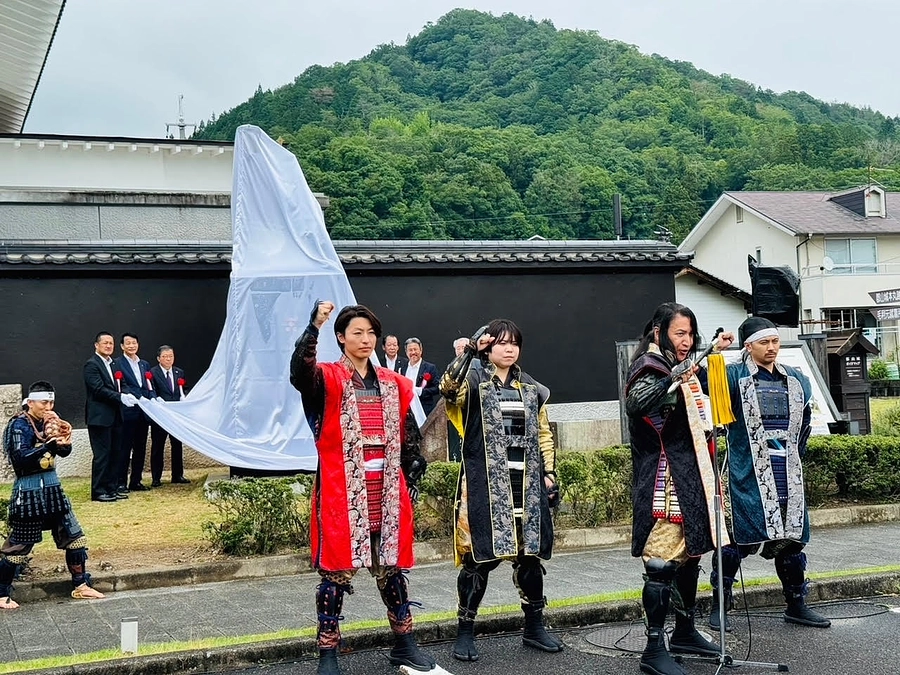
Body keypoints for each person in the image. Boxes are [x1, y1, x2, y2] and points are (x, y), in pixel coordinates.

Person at [289, 301, 436, 675]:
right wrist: (313, 326)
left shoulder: (393, 384)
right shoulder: (326, 379)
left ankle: (404, 644)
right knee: (335, 576)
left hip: (386, 490)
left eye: (371, 333)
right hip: (343, 490)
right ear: (341, 337)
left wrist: (413, 469)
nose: (366, 339)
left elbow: (408, 437)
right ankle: (327, 653)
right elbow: (299, 373)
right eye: (358, 332)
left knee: (392, 571)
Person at [440, 319, 563, 662]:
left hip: (524, 482)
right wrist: (468, 353)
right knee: (478, 558)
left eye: (514, 343)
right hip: (483, 484)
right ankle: (465, 631)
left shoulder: (531, 388)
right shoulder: (474, 381)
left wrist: (549, 474)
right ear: (489, 348)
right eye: (501, 343)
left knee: (528, 556)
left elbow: (543, 434)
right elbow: (448, 389)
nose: (509, 349)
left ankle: (534, 627)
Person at [625, 303, 732, 675]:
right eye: (679, 334)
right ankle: (653, 649)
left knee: (691, 553)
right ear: (659, 332)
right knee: (660, 561)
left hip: (692, 472)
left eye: (690, 334)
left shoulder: (681, 367)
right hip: (664, 475)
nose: (686, 342)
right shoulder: (648, 366)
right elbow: (637, 403)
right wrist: (678, 375)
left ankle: (684, 630)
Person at [708, 316, 831, 631]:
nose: (772, 348)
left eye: (775, 341)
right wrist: (714, 349)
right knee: (735, 541)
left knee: (792, 541)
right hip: (746, 473)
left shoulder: (797, 380)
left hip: (787, 471)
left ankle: (796, 604)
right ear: (748, 346)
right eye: (764, 342)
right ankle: (719, 608)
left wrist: (794, 457)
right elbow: (701, 378)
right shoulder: (733, 376)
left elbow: (803, 427)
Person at [0, 381, 106, 608]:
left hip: (52, 488)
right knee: (19, 546)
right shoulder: (19, 425)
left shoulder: (50, 420)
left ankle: (80, 585)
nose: (48, 406)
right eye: (43, 402)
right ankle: (0, 593)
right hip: (28, 490)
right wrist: (48, 445)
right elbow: (20, 458)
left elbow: (64, 451)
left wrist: (62, 439)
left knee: (75, 537)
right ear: (30, 402)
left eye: (51, 401)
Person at [84, 331, 138, 502]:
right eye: (105, 343)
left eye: (111, 343)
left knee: (116, 452)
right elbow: (98, 389)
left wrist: (128, 394)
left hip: (116, 415)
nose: (108, 346)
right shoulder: (91, 365)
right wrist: (120, 397)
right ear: (96, 345)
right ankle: (98, 491)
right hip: (100, 417)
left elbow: (123, 384)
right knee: (102, 454)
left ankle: (111, 488)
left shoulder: (114, 363)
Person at [113, 333, 156, 492]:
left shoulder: (144, 364)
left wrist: (152, 398)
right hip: (128, 410)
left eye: (134, 343)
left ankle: (136, 481)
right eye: (128, 343)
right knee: (124, 448)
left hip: (143, 411)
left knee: (141, 447)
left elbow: (149, 385)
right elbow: (122, 386)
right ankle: (120, 482)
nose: (131, 346)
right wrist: (138, 397)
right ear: (122, 346)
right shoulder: (117, 363)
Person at [148, 345, 190, 487]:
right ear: (159, 358)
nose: (168, 359)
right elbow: (150, 390)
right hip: (160, 416)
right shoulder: (152, 372)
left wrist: (184, 397)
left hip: (175, 416)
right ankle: (156, 478)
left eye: (170, 356)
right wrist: (156, 399)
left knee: (177, 445)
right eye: (165, 356)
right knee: (158, 447)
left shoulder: (179, 372)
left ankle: (177, 475)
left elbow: (183, 389)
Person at [403, 337, 440, 416]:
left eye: (415, 349)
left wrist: (421, 391)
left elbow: (437, 388)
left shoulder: (430, 367)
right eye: (410, 350)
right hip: (406, 411)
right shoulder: (402, 367)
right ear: (406, 352)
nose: (413, 352)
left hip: (424, 410)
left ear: (421, 350)